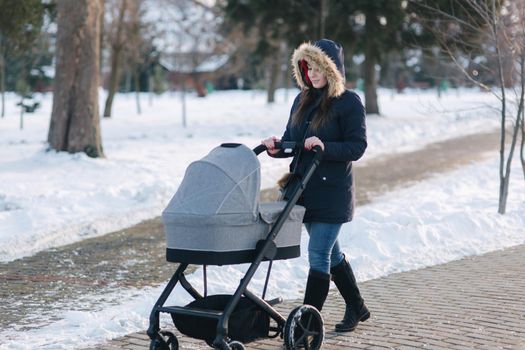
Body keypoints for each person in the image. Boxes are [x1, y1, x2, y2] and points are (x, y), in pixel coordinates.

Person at [261, 39, 369, 332]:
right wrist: (276, 147)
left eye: (319, 67)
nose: (313, 73)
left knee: (319, 254)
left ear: (332, 68)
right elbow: (290, 139)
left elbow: (357, 147)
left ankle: (307, 324)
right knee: (331, 254)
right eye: (307, 67)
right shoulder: (302, 100)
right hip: (304, 189)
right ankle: (357, 307)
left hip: (332, 191)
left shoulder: (349, 102)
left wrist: (325, 146)